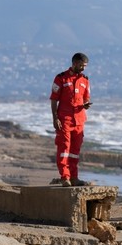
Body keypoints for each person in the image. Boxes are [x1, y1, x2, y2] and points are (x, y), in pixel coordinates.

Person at [49, 52, 92, 187]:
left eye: (85, 66)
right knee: (64, 149)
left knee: (75, 151)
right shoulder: (61, 78)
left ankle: (74, 177)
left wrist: (86, 104)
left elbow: (86, 98)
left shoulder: (85, 80)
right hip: (65, 120)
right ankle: (65, 176)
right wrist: (55, 118)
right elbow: (54, 99)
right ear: (74, 63)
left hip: (79, 121)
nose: (83, 68)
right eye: (81, 65)